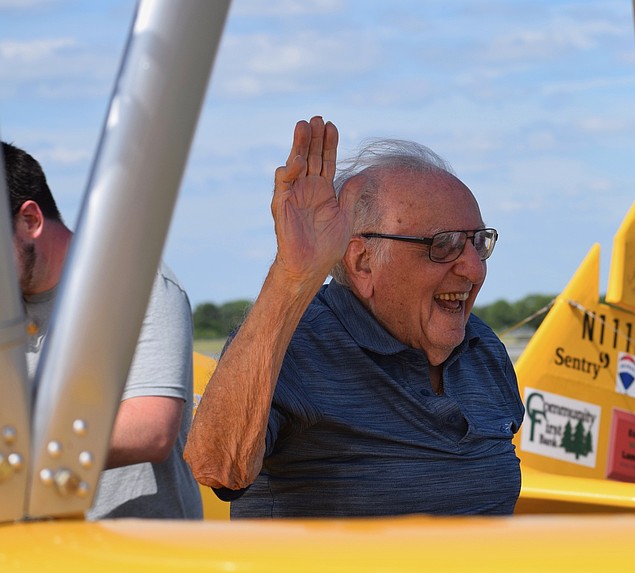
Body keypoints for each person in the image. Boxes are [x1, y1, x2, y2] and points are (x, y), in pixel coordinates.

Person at [185, 116, 524, 518]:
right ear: (363, 262)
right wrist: (291, 278)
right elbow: (217, 466)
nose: (474, 269)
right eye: (443, 245)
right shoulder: (294, 343)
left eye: (478, 243)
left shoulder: (481, 347)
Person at [2, 141, 203, 520]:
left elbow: (151, 428)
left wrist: (14, 453)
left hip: (137, 552)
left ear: (30, 220)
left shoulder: (135, 283)